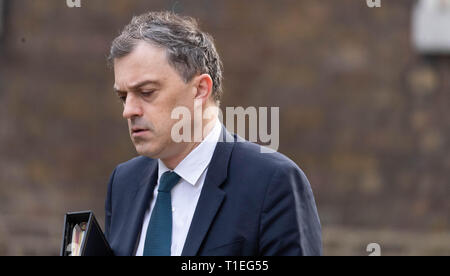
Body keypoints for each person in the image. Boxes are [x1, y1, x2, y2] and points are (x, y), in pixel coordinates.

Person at [104, 11, 322, 256]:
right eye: (123, 97)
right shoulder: (123, 182)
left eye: (146, 92)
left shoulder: (273, 182)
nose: (128, 110)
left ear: (199, 90)